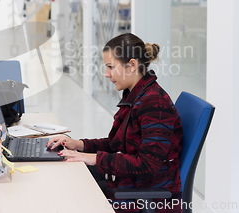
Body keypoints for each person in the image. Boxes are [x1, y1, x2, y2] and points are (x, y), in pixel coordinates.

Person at [47, 33, 183, 213]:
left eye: (111, 67)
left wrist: (94, 158)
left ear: (132, 65)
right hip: (131, 182)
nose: (106, 74)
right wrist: (79, 145)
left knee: (70, 190)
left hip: (146, 192)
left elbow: (147, 165)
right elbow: (117, 143)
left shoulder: (154, 104)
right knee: (69, 174)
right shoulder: (136, 95)